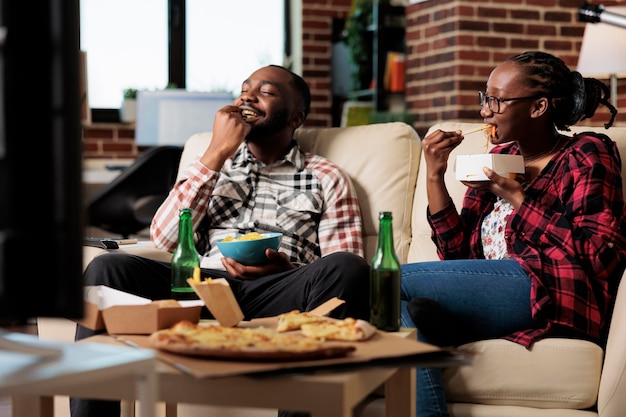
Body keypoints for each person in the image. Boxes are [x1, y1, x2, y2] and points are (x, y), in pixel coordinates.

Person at [70, 65, 370, 417]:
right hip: (203, 288)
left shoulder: (325, 176)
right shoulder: (212, 162)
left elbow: (345, 267)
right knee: (108, 268)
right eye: (245, 89)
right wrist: (215, 153)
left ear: (296, 117)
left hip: (279, 292)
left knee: (348, 268)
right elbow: (165, 238)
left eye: (266, 91)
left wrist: (288, 269)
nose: (248, 96)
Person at [401, 50, 626, 417]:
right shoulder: (499, 157)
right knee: (398, 309)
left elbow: (602, 254)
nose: (485, 111)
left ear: (538, 107)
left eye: (497, 100)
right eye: (485, 98)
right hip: (494, 290)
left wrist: (519, 198)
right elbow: (457, 256)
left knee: (383, 281)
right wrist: (434, 174)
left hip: (552, 287)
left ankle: (447, 324)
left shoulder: (587, 153)